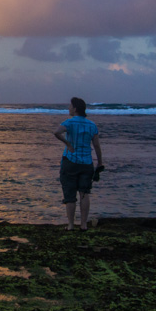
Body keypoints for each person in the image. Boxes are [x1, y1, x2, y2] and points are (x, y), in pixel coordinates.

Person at [53, 97, 103, 231]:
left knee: (69, 194)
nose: (69, 108)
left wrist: (68, 143)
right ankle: (84, 225)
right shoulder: (92, 125)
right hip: (87, 163)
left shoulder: (69, 123)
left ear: (75, 109)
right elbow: (97, 146)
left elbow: (57, 132)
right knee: (84, 193)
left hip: (70, 161)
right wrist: (100, 163)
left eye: (70, 106)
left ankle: (70, 225)